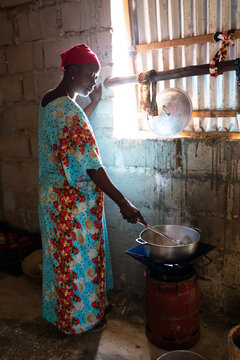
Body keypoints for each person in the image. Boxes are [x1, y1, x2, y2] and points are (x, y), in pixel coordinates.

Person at [38, 44, 146, 335]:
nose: (94, 82)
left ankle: (67, 316)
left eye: (96, 77)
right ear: (73, 72)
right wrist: (124, 202)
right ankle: (83, 321)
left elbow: (72, 129)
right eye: (90, 76)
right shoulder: (69, 112)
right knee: (78, 263)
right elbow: (92, 166)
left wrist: (93, 101)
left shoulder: (50, 101)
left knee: (61, 261)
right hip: (72, 206)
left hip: (52, 200)